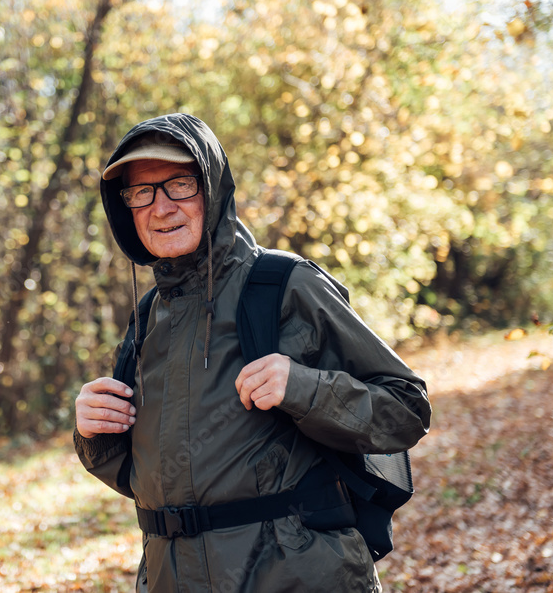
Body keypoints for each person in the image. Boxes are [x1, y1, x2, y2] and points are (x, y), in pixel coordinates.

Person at [74, 113, 430, 592]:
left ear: (213, 189)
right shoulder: (147, 318)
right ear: (126, 209)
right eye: (142, 192)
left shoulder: (284, 285)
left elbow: (406, 409)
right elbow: (149, 479)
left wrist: (303, 387)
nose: (160, 208)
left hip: (295, 577)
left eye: (179, 184)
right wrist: (95, 433)